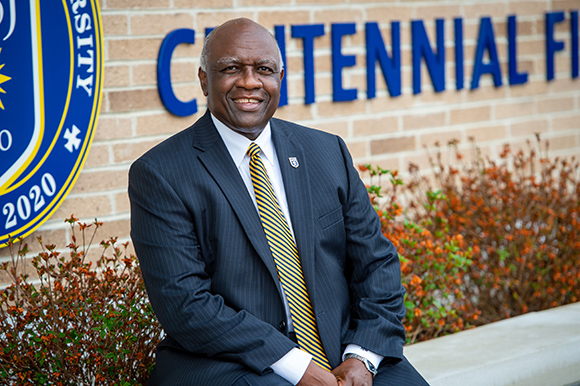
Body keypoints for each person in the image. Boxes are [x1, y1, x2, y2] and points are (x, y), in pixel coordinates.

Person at [129, 18, 429, 386]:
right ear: (204, 80)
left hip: (343, 352)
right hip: (233, 362)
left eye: (264, 69)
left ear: (280, 79)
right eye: (231, 69)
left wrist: (362, 357)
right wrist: (297, 367)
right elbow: (185, 304)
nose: (250, 82)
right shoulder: (161, 173)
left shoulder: (326, 151)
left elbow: (376, 264)